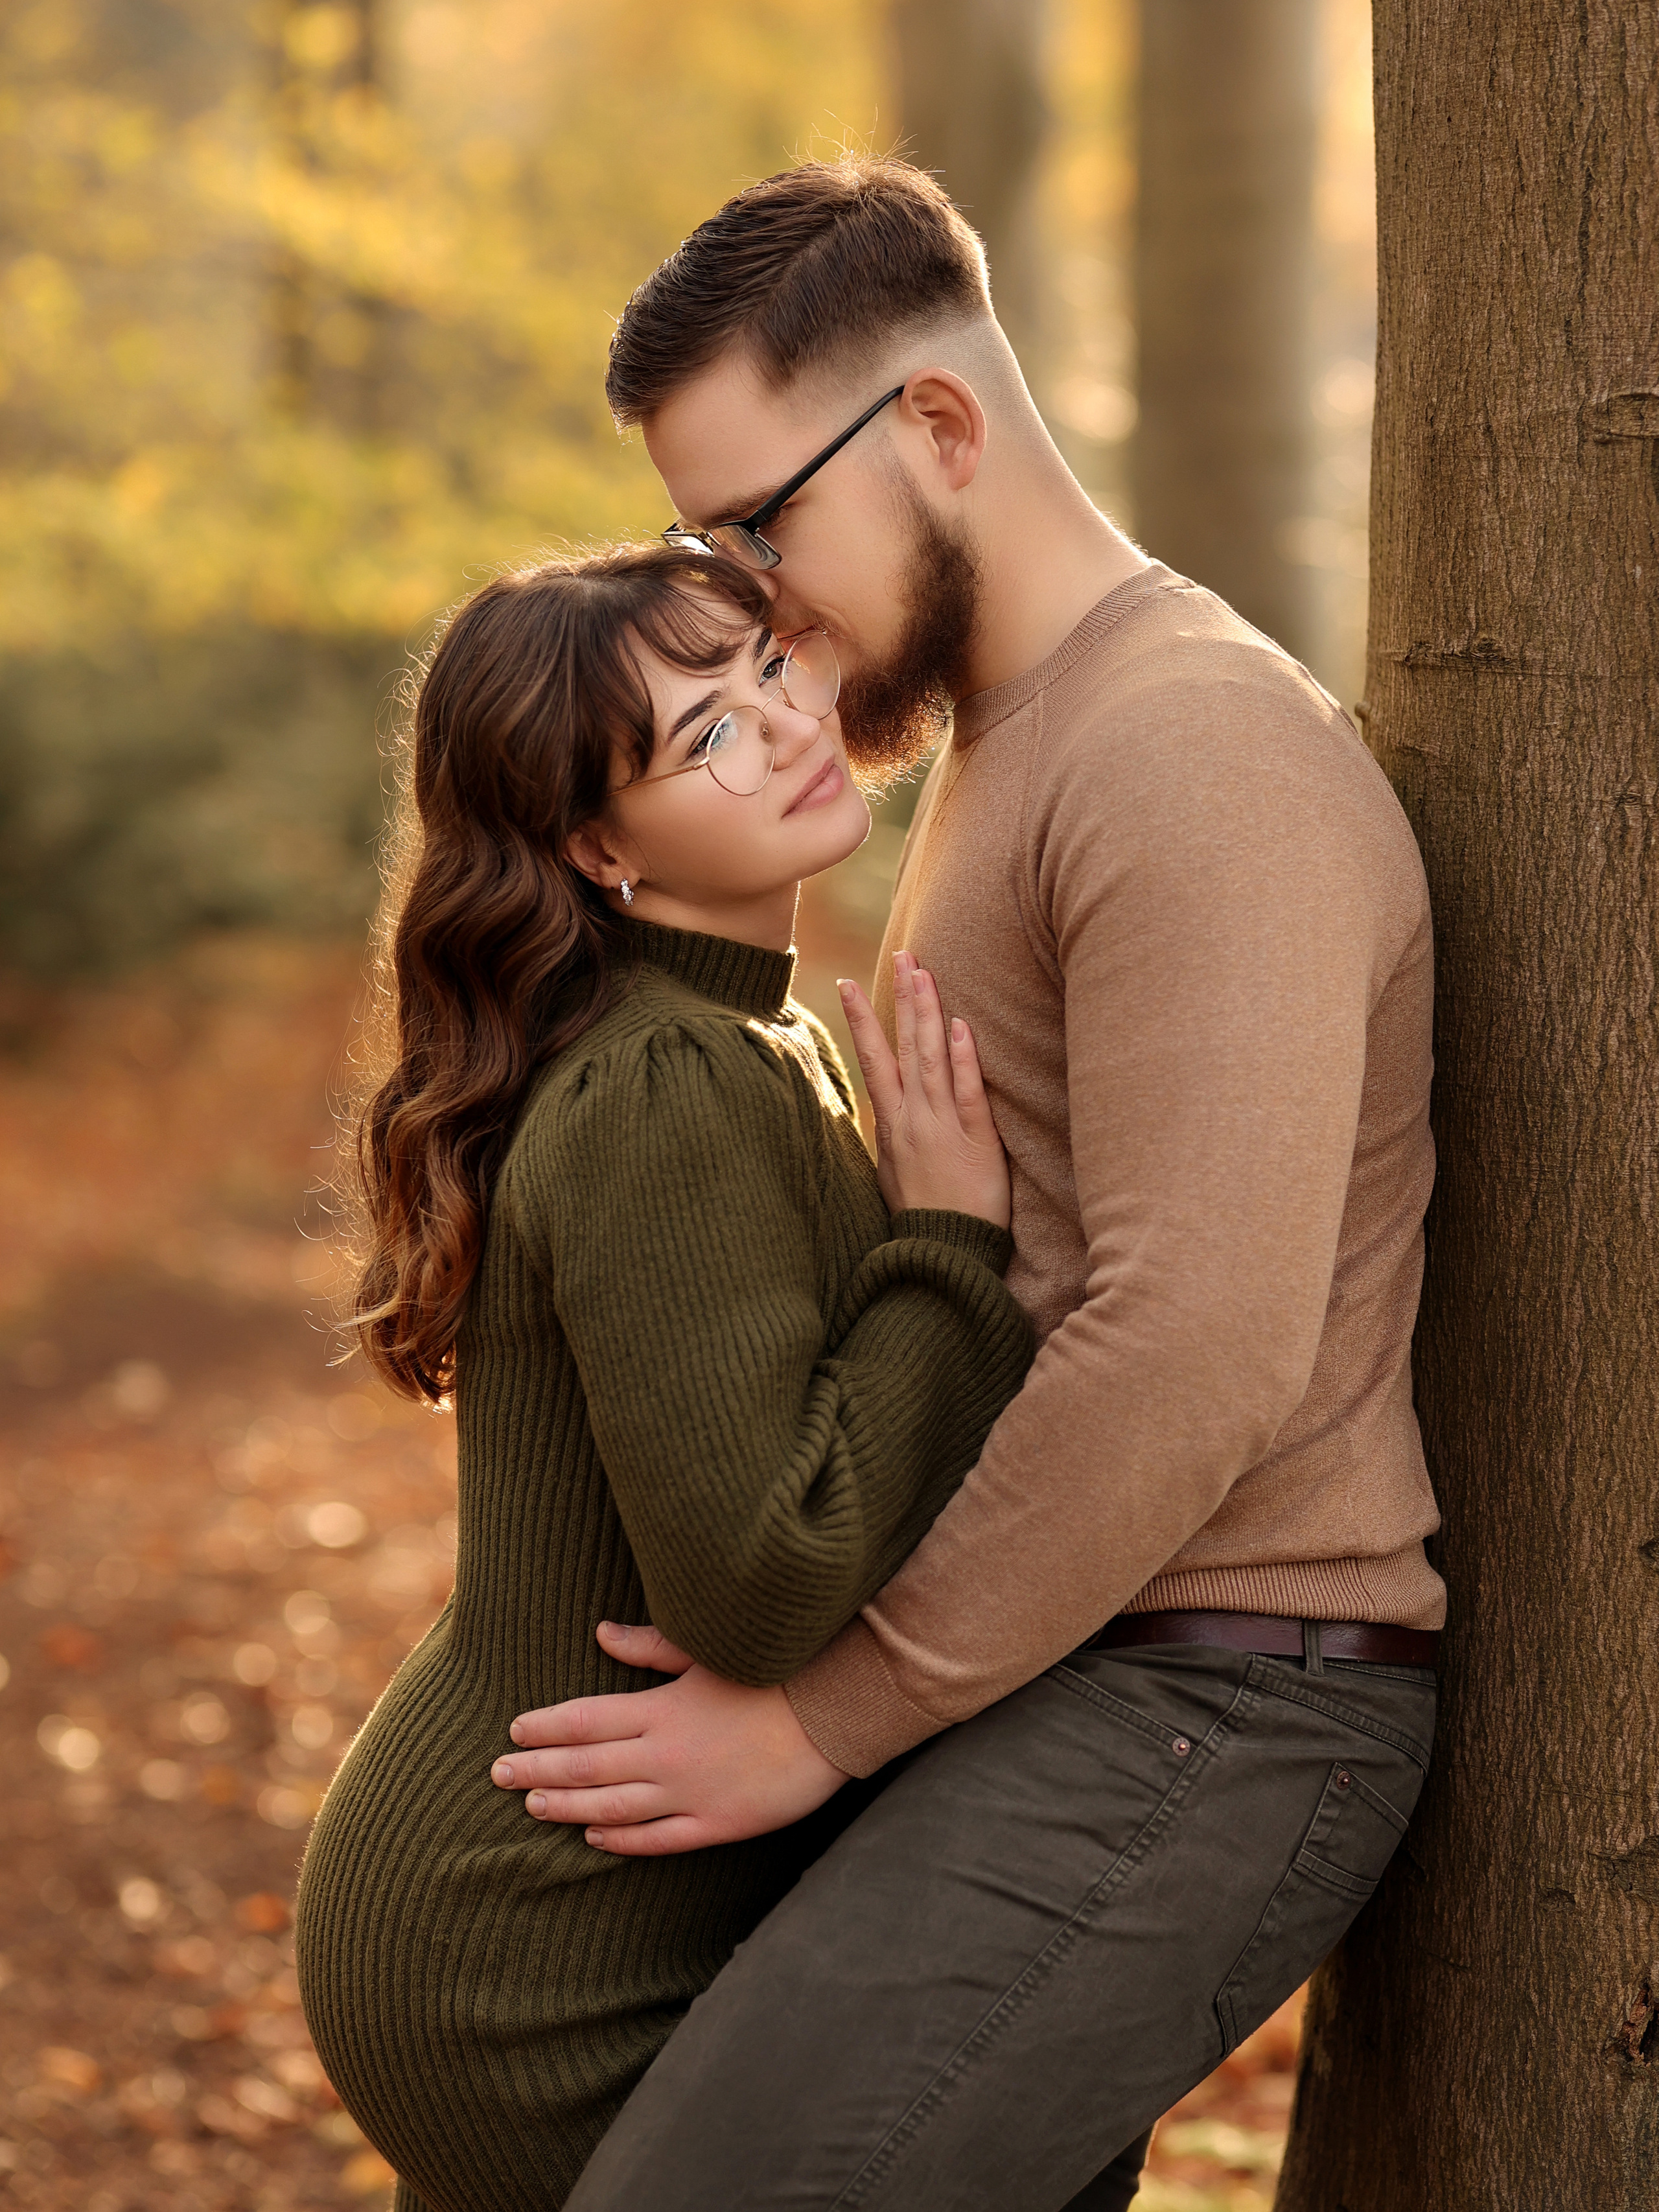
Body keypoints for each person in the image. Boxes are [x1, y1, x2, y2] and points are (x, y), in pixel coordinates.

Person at [487, 157, 1446, 2211]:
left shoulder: (1191, 751)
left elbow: (1200, 1341)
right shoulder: (1010, 744)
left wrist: (832, 1716)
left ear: (935, 427)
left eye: (759, 525)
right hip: (1064, 1666)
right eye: (699, 537)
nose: (742, 592)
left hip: (1212, 1696)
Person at [292, 541, 1036, 2212]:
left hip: (545, 1895)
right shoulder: (669, 1084)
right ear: (593, 847)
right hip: (533, 1964)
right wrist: (951, 1252)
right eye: (700, 737)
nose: (781, 728)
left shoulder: (744, 1031)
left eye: (768, 670)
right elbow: (757, 1585)